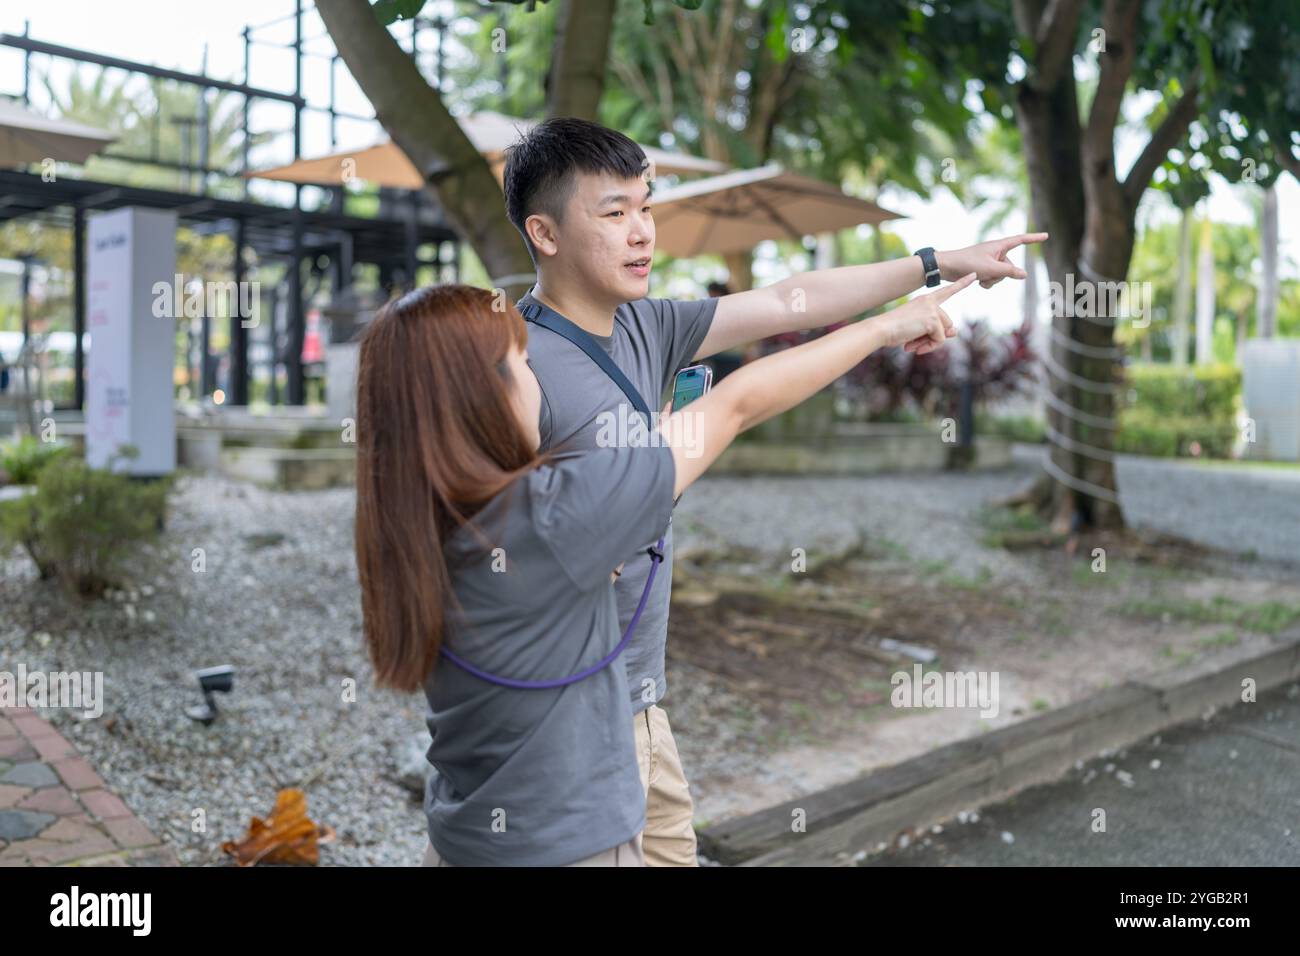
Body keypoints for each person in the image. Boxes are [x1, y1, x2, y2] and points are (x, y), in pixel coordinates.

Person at [498, 116, 1047, 865]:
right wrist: (888, 330)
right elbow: (502, 536)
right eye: (614, 212)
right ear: (546, 233)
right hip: (559, 713)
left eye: (647, 205)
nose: (642, 232)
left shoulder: (648, 327)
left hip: (638, 701)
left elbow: (794, 299)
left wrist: (938, 260)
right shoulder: (516, 367)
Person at [352, 273, 975, 866]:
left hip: (465, 838)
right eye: (522, 362)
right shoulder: (551, 516)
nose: (537, 377)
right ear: (484, 394)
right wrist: (883, 329)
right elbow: (736, 404)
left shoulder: (415, 522)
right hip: (571, 846)